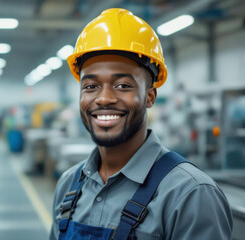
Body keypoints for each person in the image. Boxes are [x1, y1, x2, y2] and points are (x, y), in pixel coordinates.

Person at [49, 8, 232, 240]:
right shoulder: (68, 186)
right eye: (90, 86)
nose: (103, 98)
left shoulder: (189, 195)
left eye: (123, 85)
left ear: (150, 96)